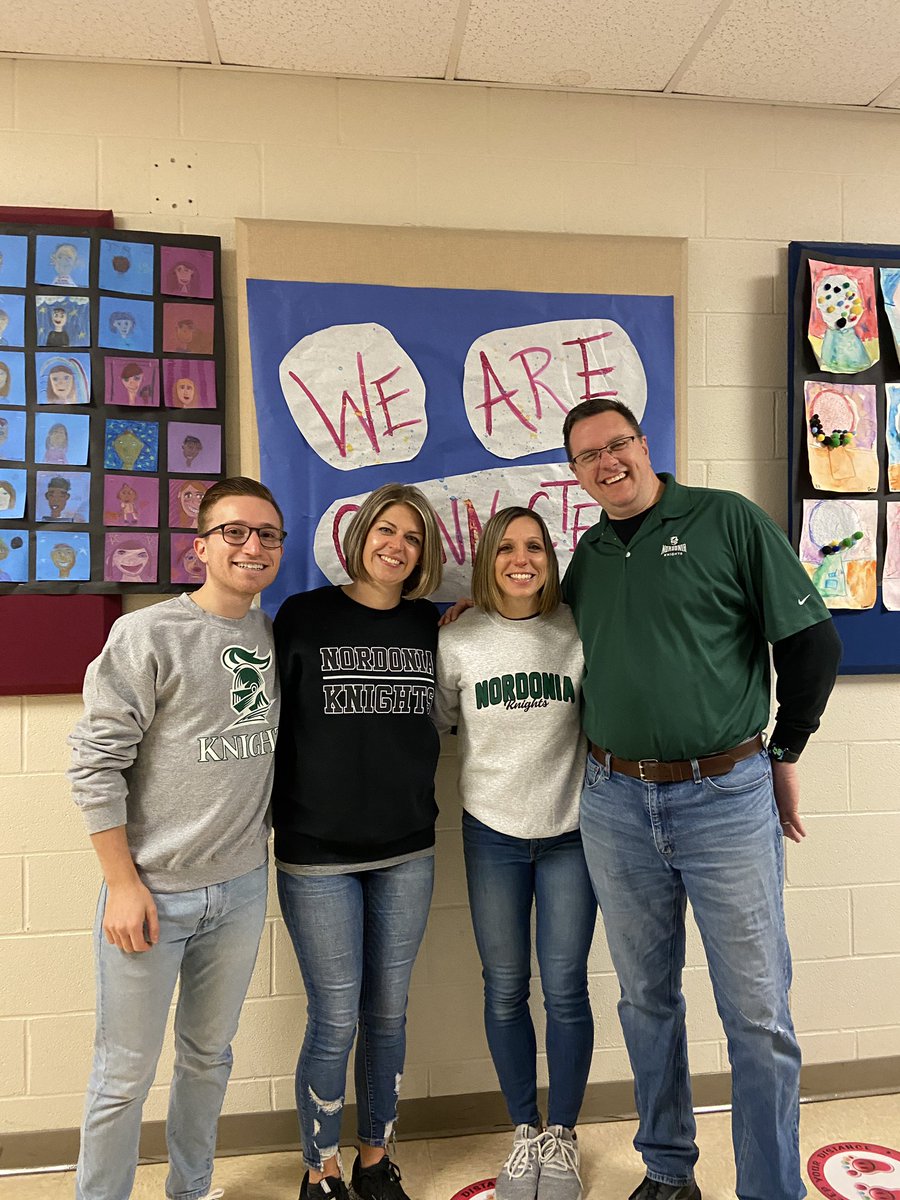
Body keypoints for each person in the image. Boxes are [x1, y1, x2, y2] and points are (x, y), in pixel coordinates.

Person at [562, 398, 841, 1200]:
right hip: (614, 800)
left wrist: (783, 750)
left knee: (756, 1014)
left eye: (618, 444)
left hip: (725, 796)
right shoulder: (586, 554)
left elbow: (812, 641)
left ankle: (771, 1188)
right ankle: (668, 1169)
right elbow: (543, 624)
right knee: (647, 999)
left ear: (645, 446)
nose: (608, 462)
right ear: (576, 473)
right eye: (588, 456)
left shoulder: (726, 520)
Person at [68, 476, 286, 1200]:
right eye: (235, 532)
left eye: (267, 535)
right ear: (200, 546)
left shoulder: (268, 634)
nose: (252, 546)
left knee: (207, 1057)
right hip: (152, 894)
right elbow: (95, 763)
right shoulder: (146, 634)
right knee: (124, 1074)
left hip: (242, 887)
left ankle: (190, 1190)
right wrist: (123, 884)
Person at [273, 482, 443, 1200]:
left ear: (423, 553)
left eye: (411, 537)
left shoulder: (431, 625)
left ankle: (375, 1158)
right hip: (317, 854)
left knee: (388, 1015)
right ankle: (321, 1169)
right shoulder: (302, 615)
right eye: (386, 530)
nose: (396, 546)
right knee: (335, 1017)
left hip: (407, 848)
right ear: (360, 534)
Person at [433, 507, 594, 1200]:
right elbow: (440, 721)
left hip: (572, 834)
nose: (520, 559)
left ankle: (563, 1135)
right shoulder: (458, 640)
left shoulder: (578, 628)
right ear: (486, 559)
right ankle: (524, 1132)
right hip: (491, 834)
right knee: (504, 988)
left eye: (534, 547)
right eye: (505, 548)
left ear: (550, 559)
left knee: (565, 989)